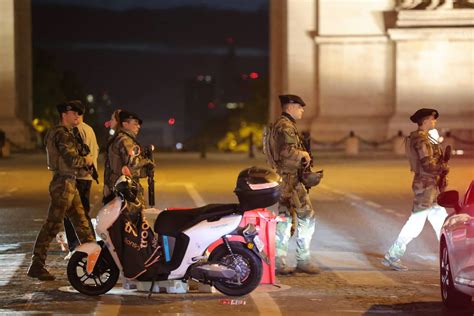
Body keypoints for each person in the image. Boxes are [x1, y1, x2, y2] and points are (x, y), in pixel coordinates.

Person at [27, 101, 95, 281]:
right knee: (52, 225)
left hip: (68, 183)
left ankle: (96, 260)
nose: (78, 117)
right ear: (65, 114)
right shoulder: (62, 134)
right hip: (63, 184)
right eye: (75, 113)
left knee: (82, 223)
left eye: (80, 114)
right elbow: (72, 160)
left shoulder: (60, 133)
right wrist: (86, 161)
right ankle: (37, 264)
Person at [381, 108, 449, 271]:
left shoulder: (425, 138)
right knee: (416, 224)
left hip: (430, 186)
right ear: (425, 121)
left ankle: (451, 256)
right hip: (425, 186)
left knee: (442, 221)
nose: (435, 122)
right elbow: (427, 164)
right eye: (432, 120)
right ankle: (392, 255)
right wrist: (442, 167)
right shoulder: (420, 139)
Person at [270, 94, 318, 275]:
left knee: (285, 219)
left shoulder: (280, 125)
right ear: (290, 106)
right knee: (307, 217)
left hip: (283, 179)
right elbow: (286, 151)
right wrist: (303, 155)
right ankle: (303, 259)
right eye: (300, 107)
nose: (302, 110)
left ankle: (279, 261)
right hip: (291, 180)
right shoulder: (286, 126)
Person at [63, 101, 99, 255]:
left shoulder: (76, 131)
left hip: (78, 176)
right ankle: (90, 243)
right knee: (83, 212)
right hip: (88, 177)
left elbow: (75, 156)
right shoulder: (89, 129)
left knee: (71, 213)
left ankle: (76, 246)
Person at [103, 110, 153, 207]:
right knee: (137, 216)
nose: (138, 126)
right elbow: (133, 164)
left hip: (117, 185)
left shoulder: (118, 138)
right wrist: (147, 162)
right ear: (125, 124)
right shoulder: (126, 140)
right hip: (125, 188)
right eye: (135, 123)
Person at [102, 109, 122, 204]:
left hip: (118, 186)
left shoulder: (120, 140)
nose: (111, 122)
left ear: (119, 121)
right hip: (112, 185)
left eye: (112, 119)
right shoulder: (113, 138)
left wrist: (108, 184)